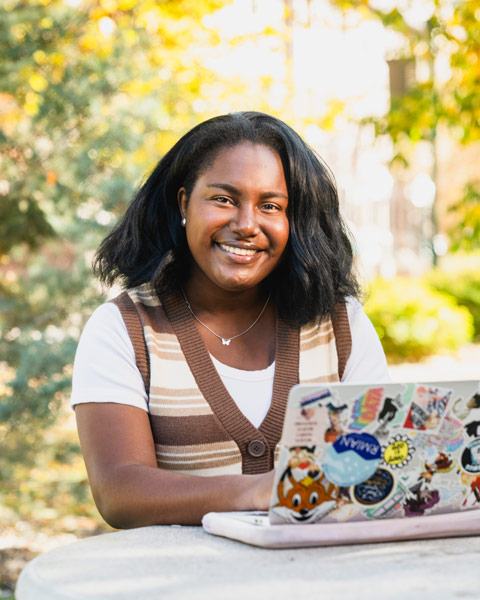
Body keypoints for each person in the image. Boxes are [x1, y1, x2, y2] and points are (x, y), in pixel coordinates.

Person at [72, 111, 389, 528]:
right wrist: (257, 491)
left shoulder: (342, 327)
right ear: (184, 202)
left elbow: (381, 468)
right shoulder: (122, 330)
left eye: (270, 206)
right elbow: (119, 491)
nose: (246, 225)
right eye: (223, 199)